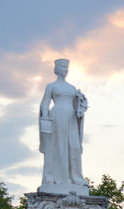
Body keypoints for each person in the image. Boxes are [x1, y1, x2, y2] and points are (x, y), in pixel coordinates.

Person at [38, 58, 86, 189]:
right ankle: (59, 178)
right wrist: (45, 117)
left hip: (71, 118)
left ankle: (76, 177)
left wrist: (80, 104)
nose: (65, 70)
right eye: (62, 68)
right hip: (57, 116)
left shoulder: (72, 88)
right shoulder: (52, 86)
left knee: (74, 146)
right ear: (56, 70)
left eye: (66, 68)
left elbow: (77, 104)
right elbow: (45, 103)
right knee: (59, 146)